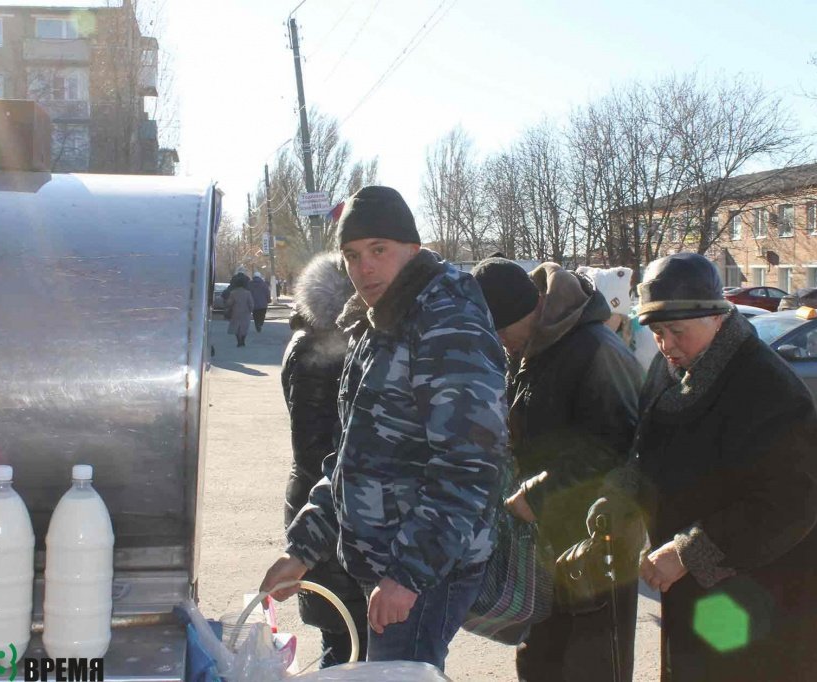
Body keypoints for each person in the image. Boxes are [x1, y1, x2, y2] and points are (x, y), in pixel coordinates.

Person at [260, 186, 509, 671]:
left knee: (401, 674)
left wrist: (408, 576)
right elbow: (353, 455)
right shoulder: (379, 322)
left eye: (379, 251)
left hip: (428, 568)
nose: (363, 267)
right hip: (390, 562)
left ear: (412, 250)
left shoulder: (446, 323)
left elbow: (471, 464)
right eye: (351, 255)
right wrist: (303, 550)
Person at [591, 252, 817, 682]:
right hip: (705, 582)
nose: (665, 344)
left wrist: (691, 551)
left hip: (776, 579)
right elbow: (649, 442)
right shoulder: (672, 364)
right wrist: (621, 495)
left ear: (717, 317)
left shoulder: (769, 388)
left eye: (676, 331)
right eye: (656, 332)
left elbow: (790, 500)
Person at [472, 258, 643, 682]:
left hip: (598, 546)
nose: (496, 342)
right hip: (547, 544)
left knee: (591, 666)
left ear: (520, 312)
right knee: (540, 663)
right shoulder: (531, 348)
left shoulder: (596, 350)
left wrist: (542, 494)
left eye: (497, 330)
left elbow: (624, 450)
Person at [281, 252, 368, 667]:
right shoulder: (325, 351)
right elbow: (317, 449)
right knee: (350, 641)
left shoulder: (312, 339)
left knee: (347, 637)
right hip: (331, 510)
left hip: (325, 502)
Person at [223, 272, 253, 347]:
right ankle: (243, 340)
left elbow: (229, 303)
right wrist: (251, 310)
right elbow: (251, 303)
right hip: (245, 312)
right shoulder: (248, 293)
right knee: (244, 327)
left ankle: (239, 341)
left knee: (236, 327)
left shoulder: (233, 293)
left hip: (235, 312)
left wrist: (227, 307)